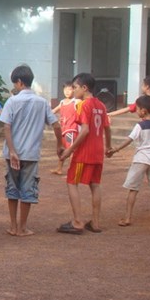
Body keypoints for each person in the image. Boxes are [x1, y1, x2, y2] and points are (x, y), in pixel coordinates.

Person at [0, 65, 63, 237]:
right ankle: (22, 227)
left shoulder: (12, 101)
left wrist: (12, 150)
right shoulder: (42, 102)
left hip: (12, 153)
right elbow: (56, 125)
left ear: (19, 82)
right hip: (31, 154)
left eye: (15, 83)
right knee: (27, 190)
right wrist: (59, 144)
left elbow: (6, 127)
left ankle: (13, 226)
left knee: (12, 189)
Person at [58, 73, 111, 235]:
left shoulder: (83, 105)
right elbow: (107, 128)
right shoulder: (101, 105)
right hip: (98, 152)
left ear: (84, 88)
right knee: (95, 184)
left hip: (84, 153)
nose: (73, 90)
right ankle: (95, 222)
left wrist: (69, 150)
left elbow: (85, 130)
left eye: (75, 87)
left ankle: (77, 221)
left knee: (71, 182)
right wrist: (108, 146)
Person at [106, 96, 150, 226]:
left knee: (133, 189)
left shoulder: (140, 126)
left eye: (137, 109)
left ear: (143, 111)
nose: (136, 111)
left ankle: (127, 218)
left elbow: (129, 139)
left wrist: (115, 149)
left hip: (141, 159)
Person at [50, 81, 79, 175]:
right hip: (62, 129)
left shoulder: (76, 101)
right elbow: (54, 111)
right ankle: (59, 168)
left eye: (69, 89)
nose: (67, 91)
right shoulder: (62, 102)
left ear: (74, 90)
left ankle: (72, 171)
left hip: (71, 129)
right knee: (62, 149)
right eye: (65, 89)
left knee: (71, 150)